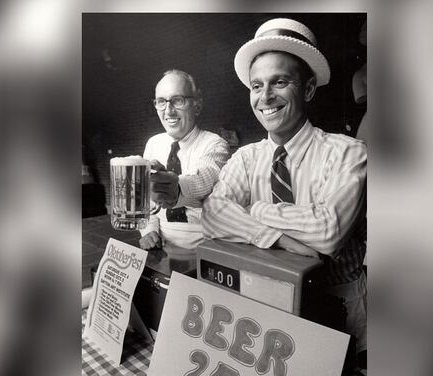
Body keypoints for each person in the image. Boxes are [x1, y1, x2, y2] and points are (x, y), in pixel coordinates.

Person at [202, 18, 367, 356]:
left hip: (342, 314)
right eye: (256, 85)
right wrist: (272, 236)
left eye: (279, 82)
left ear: (308, 89)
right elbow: (212, 213)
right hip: (270, 308)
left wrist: (256, 210)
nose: (265, 97)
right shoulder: (246, 157)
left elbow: (328, 232)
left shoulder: (348, 152)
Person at [140, 70, 230, 250]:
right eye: (161, 101)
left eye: (178, 100)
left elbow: (204, 178)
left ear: (197, 105)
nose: (168, 110)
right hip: (160, 245)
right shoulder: (153, 144)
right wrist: (149, 230)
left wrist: (176, 187)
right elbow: (146, 203)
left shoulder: (215, 144)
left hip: (204, 245)